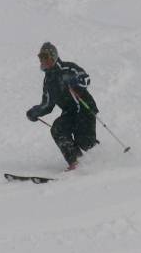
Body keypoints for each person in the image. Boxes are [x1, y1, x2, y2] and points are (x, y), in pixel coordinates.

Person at [26, 42, 99, 171]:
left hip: (85, 109)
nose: (43, 61)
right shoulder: (48, 81)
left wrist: (76, 81)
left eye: (46, 57)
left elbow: (86, 79)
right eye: (41, 58)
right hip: (70, 112)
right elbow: (47, 104)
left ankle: (104, 160)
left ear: (53, 57)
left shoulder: (68, 68)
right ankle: (75, 161)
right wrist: (35, 112)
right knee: (57, 129)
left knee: (84, 141)